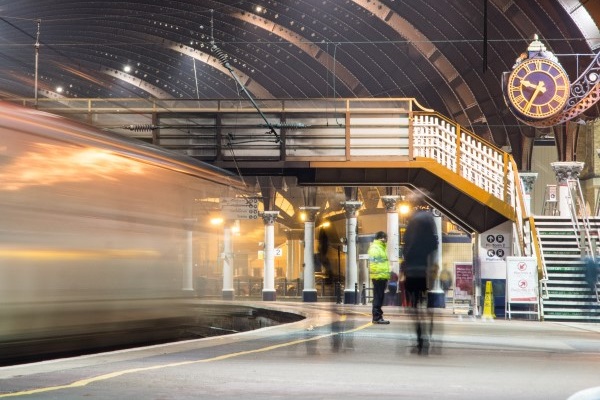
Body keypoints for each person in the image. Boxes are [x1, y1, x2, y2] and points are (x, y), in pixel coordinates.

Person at [402, 210, 439, 354]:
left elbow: (406, 248)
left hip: (412, 272)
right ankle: (427, 337)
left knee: (414, 307)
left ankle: (420, 340)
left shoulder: (411, 229)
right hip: (424, 272)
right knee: (425, 306)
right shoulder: (429, 228)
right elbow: (434, 247)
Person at [368, 231, 391, 324]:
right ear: (382, 238)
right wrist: (378, 275)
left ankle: (378, 316)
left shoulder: (381, 248)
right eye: (385, 238)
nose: (386, 240)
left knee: (380, 297)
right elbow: (373, 263)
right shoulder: (375, 248)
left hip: (382, 276)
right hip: (378, 277)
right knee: (378, 297)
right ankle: (377, 317)